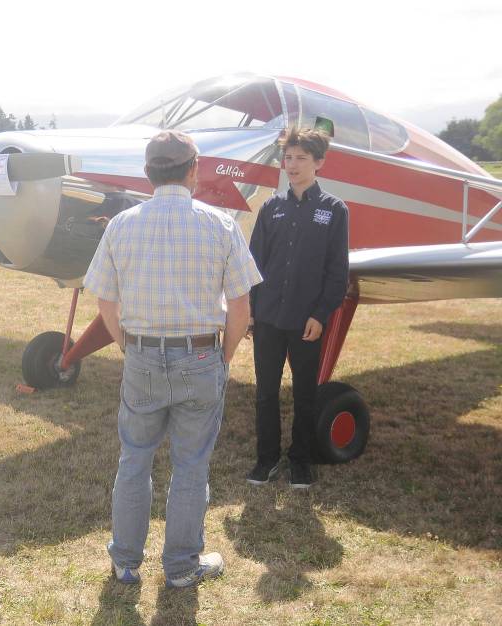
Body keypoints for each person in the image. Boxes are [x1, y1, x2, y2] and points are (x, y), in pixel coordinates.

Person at [83, 130, 262, 588]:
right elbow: (241, 307)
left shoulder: (123, 224)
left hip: (142, 354)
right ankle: (182, 566)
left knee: (134, 460)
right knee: (190, 465)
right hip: (201, 355)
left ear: (148, 172)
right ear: (193, 169)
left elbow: (104, 299)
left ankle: (125, 561)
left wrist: (127, 345)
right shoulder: (220, 224)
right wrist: (224, 357)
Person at [246, 127, 349, 490]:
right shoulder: (271, 208)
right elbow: (253, 265)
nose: (291, 164)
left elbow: (338, 274)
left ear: (319, 162)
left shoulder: (334, 211)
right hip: (269, 318)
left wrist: (320, 315)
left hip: (306, 322)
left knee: (305, 393)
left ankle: (300, 461)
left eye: (301, 158)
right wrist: (250, 311)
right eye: (287, 157)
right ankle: (267, 459)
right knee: (265, 392)